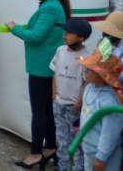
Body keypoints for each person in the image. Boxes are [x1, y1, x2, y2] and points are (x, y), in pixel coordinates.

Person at [7, 0, 69, 169]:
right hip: (45, 66)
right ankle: (50, 147)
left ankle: (35, 154)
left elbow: (36, 36)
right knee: (47, 111)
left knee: (39, 112)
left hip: (42, 68)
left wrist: (14, 28)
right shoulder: (52, 5)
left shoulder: (50, 8)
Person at [50, 17, 91, 171]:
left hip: (74, 107)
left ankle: (77, 168)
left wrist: (79, 102)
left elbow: (85, 82)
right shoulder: (60, 50)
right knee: (61, 139)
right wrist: (54, 94)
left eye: (69, 33)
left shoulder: (87, 57)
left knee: (77, 142)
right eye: (65, 31)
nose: (65, 35)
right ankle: (63, 167)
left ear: (81, 37)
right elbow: (55, 72)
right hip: (58, 103)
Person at [78, 41, 123, 171]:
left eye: (89, 69)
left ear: (102, 75)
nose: (85, 71)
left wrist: (101, 157)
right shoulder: (89, 88)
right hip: (88, 148)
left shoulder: (110, 101)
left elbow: (111, 132)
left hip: (103, 155)